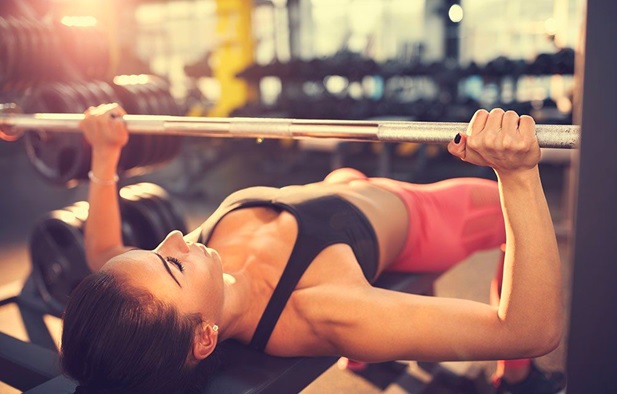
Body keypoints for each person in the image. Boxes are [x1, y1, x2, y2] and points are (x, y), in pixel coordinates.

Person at [60, 104, 564, 394]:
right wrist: (516, 175)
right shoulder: (324, 310)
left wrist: (105, 153)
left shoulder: (170, 287)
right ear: (204, 340)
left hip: (335, 189)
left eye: (154, 248)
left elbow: (101, 248)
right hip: (407, 215)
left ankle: (390, 353)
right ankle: (517, 383)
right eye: (171, 265)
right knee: (514, 220)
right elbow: (527, 329)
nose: (176, 239)